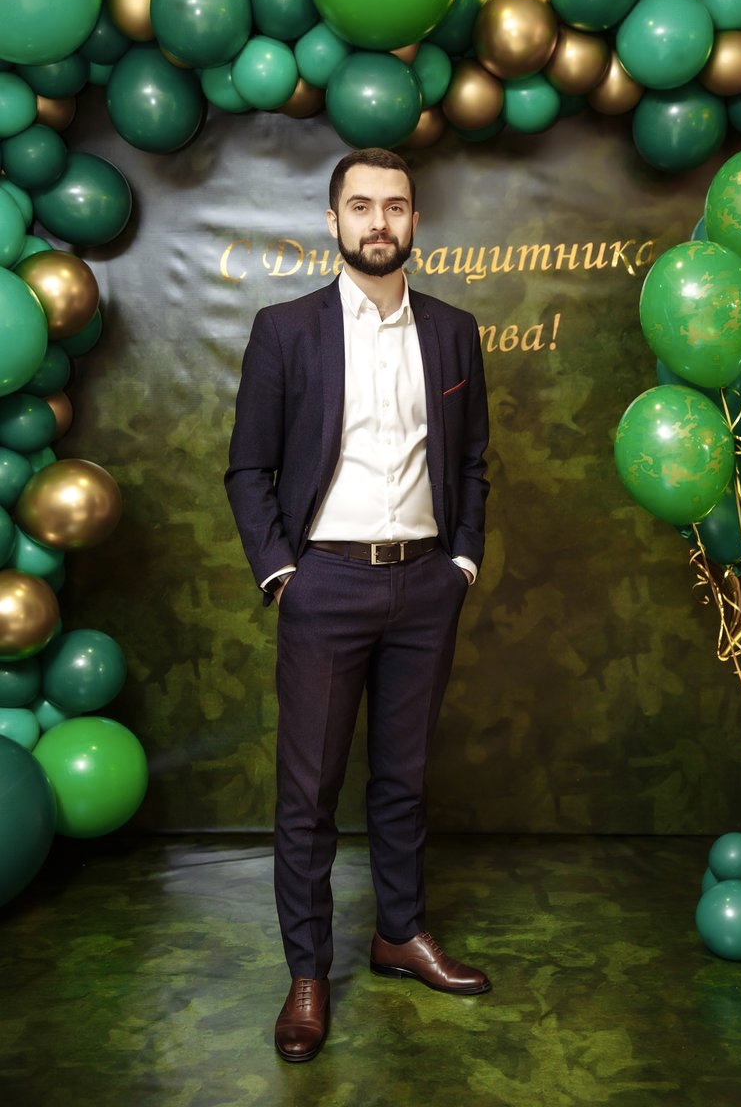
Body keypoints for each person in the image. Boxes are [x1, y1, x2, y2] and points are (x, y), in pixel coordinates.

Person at [225, 147, 491, 1063]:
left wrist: (461, 561)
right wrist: (282, 575)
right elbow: (248, 469)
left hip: (425, 585)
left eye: (397, 206)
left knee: (403, 779)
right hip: (325, 584)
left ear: (416, 220)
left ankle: (400, 934)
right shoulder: (285, 330)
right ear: (334, 221)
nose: (381, 222)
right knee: (308, 794)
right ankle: (308, 974)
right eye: (363, 206)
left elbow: (471, 463)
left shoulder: (453, 331)